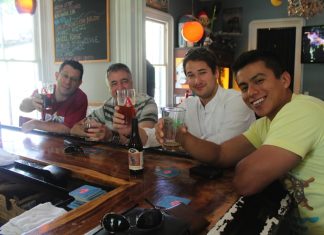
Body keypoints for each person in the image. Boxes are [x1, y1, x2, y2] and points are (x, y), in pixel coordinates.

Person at [156, 50, 324, 234]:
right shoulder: (265, 124)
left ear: (284, 80)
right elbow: (220, 154)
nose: (251, 92)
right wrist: (181, 135)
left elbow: (247, 181)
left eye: (259, 81)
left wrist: (245, 164)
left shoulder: (301, 110)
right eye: (244, 87)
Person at [143, 47, 255, 147]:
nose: (197, 81)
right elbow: (156, 136)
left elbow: (219, 146)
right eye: (191, 75)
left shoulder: (237, 101)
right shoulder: (187, 105)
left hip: (236, 169)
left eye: (202, 73)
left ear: (216, 72)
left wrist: (182, 140)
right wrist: (157, 131)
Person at [70, 63, 158, 144]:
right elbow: (74, 129)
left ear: (132, 82)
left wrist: (111, 136)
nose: (120, 88)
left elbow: (145, 141)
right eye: (114, 83)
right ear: (109, 88)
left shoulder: (147, 103)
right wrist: (93, 131)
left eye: (124, 81)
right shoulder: (107, 106)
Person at [19, 60, 87, 134]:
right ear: (57, 76)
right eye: (65, 76)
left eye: (73, 79)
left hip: (67, 143)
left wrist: (36, 123)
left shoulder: (80, 98)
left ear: (79, 83)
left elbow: (68, 129)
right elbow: (22, 107)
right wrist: (32, 102)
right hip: (44, 140)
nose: (68, 82)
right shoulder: (45, 90)